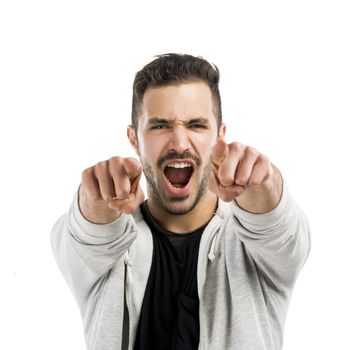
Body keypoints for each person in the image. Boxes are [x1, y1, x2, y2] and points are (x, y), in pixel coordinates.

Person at [51, 53, 311, 350]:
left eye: (197, 125)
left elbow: (279, 229)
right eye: (160, 126)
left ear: (219, 136)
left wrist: (264, 182)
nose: (178, 142)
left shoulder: (255, 250)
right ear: (134, 138)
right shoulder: (108, 252)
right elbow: (86, 236)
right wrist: (97, 194)